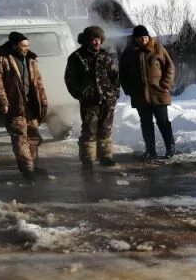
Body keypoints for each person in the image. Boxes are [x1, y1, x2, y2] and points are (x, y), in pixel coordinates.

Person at [0, 31, 50, 181]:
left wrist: (43, 101)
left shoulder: (31, 59)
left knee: (34, 136)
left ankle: (33, 165)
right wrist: (2, 102)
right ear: (15, 45)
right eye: (23, 46)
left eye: (27, 45)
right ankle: (27, 168)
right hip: (14, 103)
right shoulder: (1, 58)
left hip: (31, 104)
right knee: (20, 137)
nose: (26, 48)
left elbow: (38, 83)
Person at [64, 25, 120, 170]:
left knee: (106, 129)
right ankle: (87, 159)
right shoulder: (77, 57)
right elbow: (70, 79)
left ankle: (105, 157)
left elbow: (115, 77)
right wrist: (80, 94)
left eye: (99, 39)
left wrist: (114, 94)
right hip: (89, 102)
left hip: (107, 100)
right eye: (94, 39)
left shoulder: (106, 56)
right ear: (87, 41)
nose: (97, 43)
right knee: (89, 130)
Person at [119, 24, 175, 160]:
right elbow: (123, 73)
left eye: (145, 37)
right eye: (140, 38)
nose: (143, 40)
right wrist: (128, 89)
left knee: (163, 121)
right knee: (146, 123)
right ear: (135, 39)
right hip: (139, 95)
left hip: (159, 93)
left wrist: (165, 84)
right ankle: (150, 150)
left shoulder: (158, 48)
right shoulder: (129, 52)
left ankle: (170, 148)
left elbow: (170, 67)